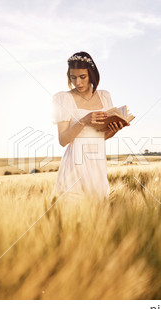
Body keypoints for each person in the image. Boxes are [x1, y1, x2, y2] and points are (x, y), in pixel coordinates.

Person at [51, 51, 129, 202]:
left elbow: (101, 136)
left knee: (98, 209)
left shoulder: (104, 96)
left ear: (92, 74)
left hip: (98, 161)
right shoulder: (63, 99)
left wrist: (113, 129)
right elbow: (62, 140)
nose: (78, 82)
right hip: (75, 162)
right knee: (73, 210)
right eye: (73, 77)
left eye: (82, 77)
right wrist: (84, 121)